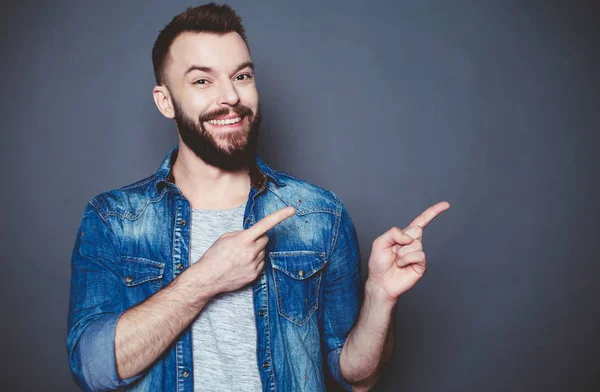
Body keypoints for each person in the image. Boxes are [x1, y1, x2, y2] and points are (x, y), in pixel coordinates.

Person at [66, 3, 449, 392]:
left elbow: (357, 376)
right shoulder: (113, 219)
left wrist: (380, 296)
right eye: (202, 81)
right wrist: (206, 279)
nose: (230, 96)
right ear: (165, 101)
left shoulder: (318, 215)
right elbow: (94, 370)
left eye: (242, 75)